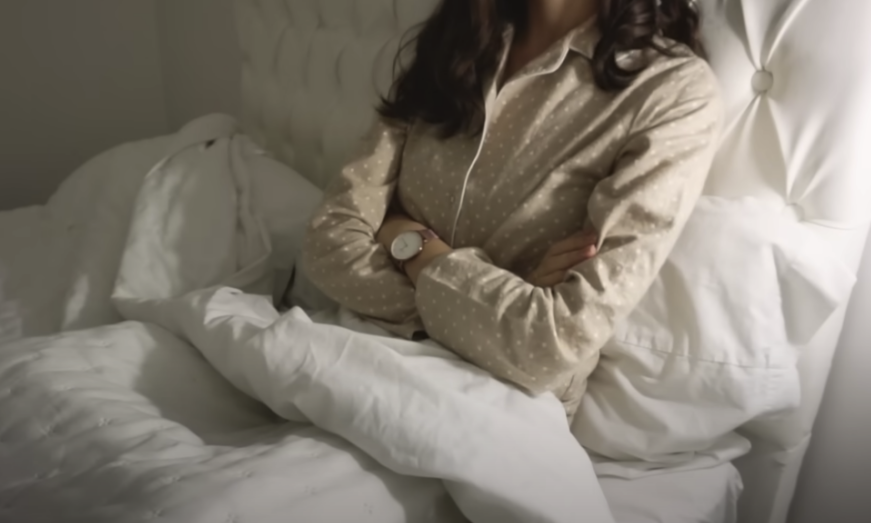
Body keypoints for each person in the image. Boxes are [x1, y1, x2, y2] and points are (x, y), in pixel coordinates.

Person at [303, 0, 723, 421]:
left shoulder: (672, 91)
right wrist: (499, 303)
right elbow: (327, 243)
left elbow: (552, 342)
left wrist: (409, 242)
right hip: (347, 355)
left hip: (498, 411)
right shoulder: (457, 44)